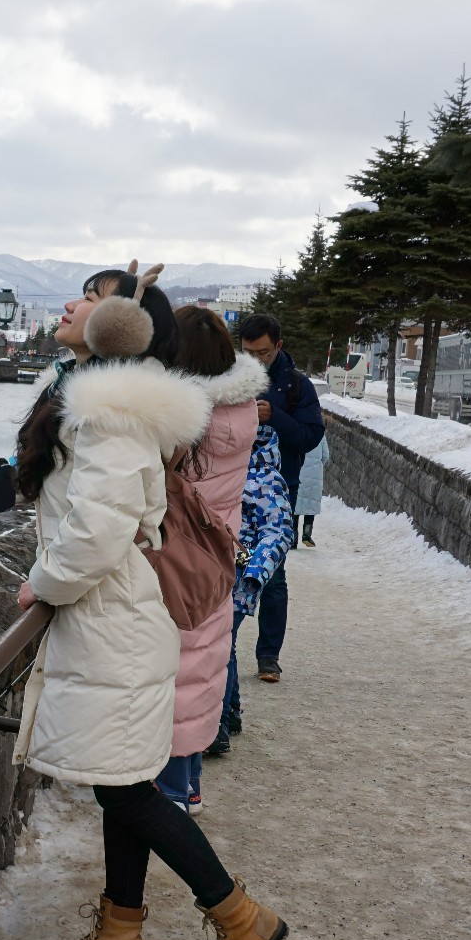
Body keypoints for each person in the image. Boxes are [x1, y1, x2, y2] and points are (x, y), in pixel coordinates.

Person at [12, 266, 287, 940]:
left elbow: (98, 532)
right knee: (120, 784)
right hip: (116, 624)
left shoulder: (112, 414)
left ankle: (238, 915)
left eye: (92, 299)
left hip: (115, 625)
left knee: (130, 789)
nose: (72, 304)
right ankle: (120, 934)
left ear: (118, 330)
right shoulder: (108, 403)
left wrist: (42, 583)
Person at [154, 306, 266, 814]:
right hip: (218, 556)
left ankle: (172, 792)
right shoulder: (243, 411)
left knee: (175, 670)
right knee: (205, 665)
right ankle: (191, 783)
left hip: (175, 556)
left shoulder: (181, 419)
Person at [234, 313, 324, 684]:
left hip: (278, 491)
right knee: (225, 571)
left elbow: (310, 436)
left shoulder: (297, 386)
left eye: (263, 352)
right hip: (232, 489)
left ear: (279, 347)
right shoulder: (230, 376)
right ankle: (221, 649)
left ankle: (268, 656)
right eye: (248, 352)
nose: (255, 359)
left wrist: (275, 418)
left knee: (273, 576)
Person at [205, 425, 292, 759]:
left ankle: (217, 729)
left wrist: (256, 573)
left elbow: (279, 531)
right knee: (224, 642)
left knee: (220, 646)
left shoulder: (267, 479)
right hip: (214, 572)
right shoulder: (215, 471)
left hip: (241, 577)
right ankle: (232, 711)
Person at [296, 433, 327, 547]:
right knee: (311, 504)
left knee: (295, 506)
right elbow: (325, 456)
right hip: (315, 475)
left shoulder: (296, 431)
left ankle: (293, 538)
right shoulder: (319, 434)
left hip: (298, 472)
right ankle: (307, 535)